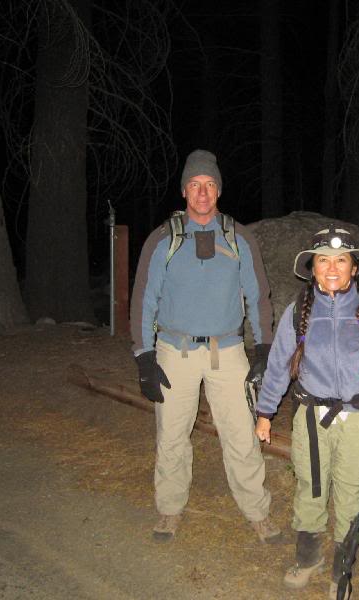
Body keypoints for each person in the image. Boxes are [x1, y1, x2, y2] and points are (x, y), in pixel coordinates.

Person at [130, 149, 280, 544]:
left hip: (227, 351)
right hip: (173, 351)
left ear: (218, 190)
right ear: (184, 190)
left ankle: (257, 512)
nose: (202, 192)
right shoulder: (163, 240)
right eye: (195, 185)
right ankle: (169, 509)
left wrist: (263, 350)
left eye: (209, 185)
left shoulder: (239, 237)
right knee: (172, 435)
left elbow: (258, 296)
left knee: (241, 435)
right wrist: (144, 356)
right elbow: (144, 299)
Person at [255, 226, 359, 598]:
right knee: (311, 486)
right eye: (323, 261)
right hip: (311, 417)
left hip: (358, 418)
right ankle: (308, 557)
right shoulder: (299, 312)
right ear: (313, 268)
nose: (332, 268)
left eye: (341, 260)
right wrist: (264, 411)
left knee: (353, 490)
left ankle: (344, 564)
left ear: (355, 267)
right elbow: (278, 365)